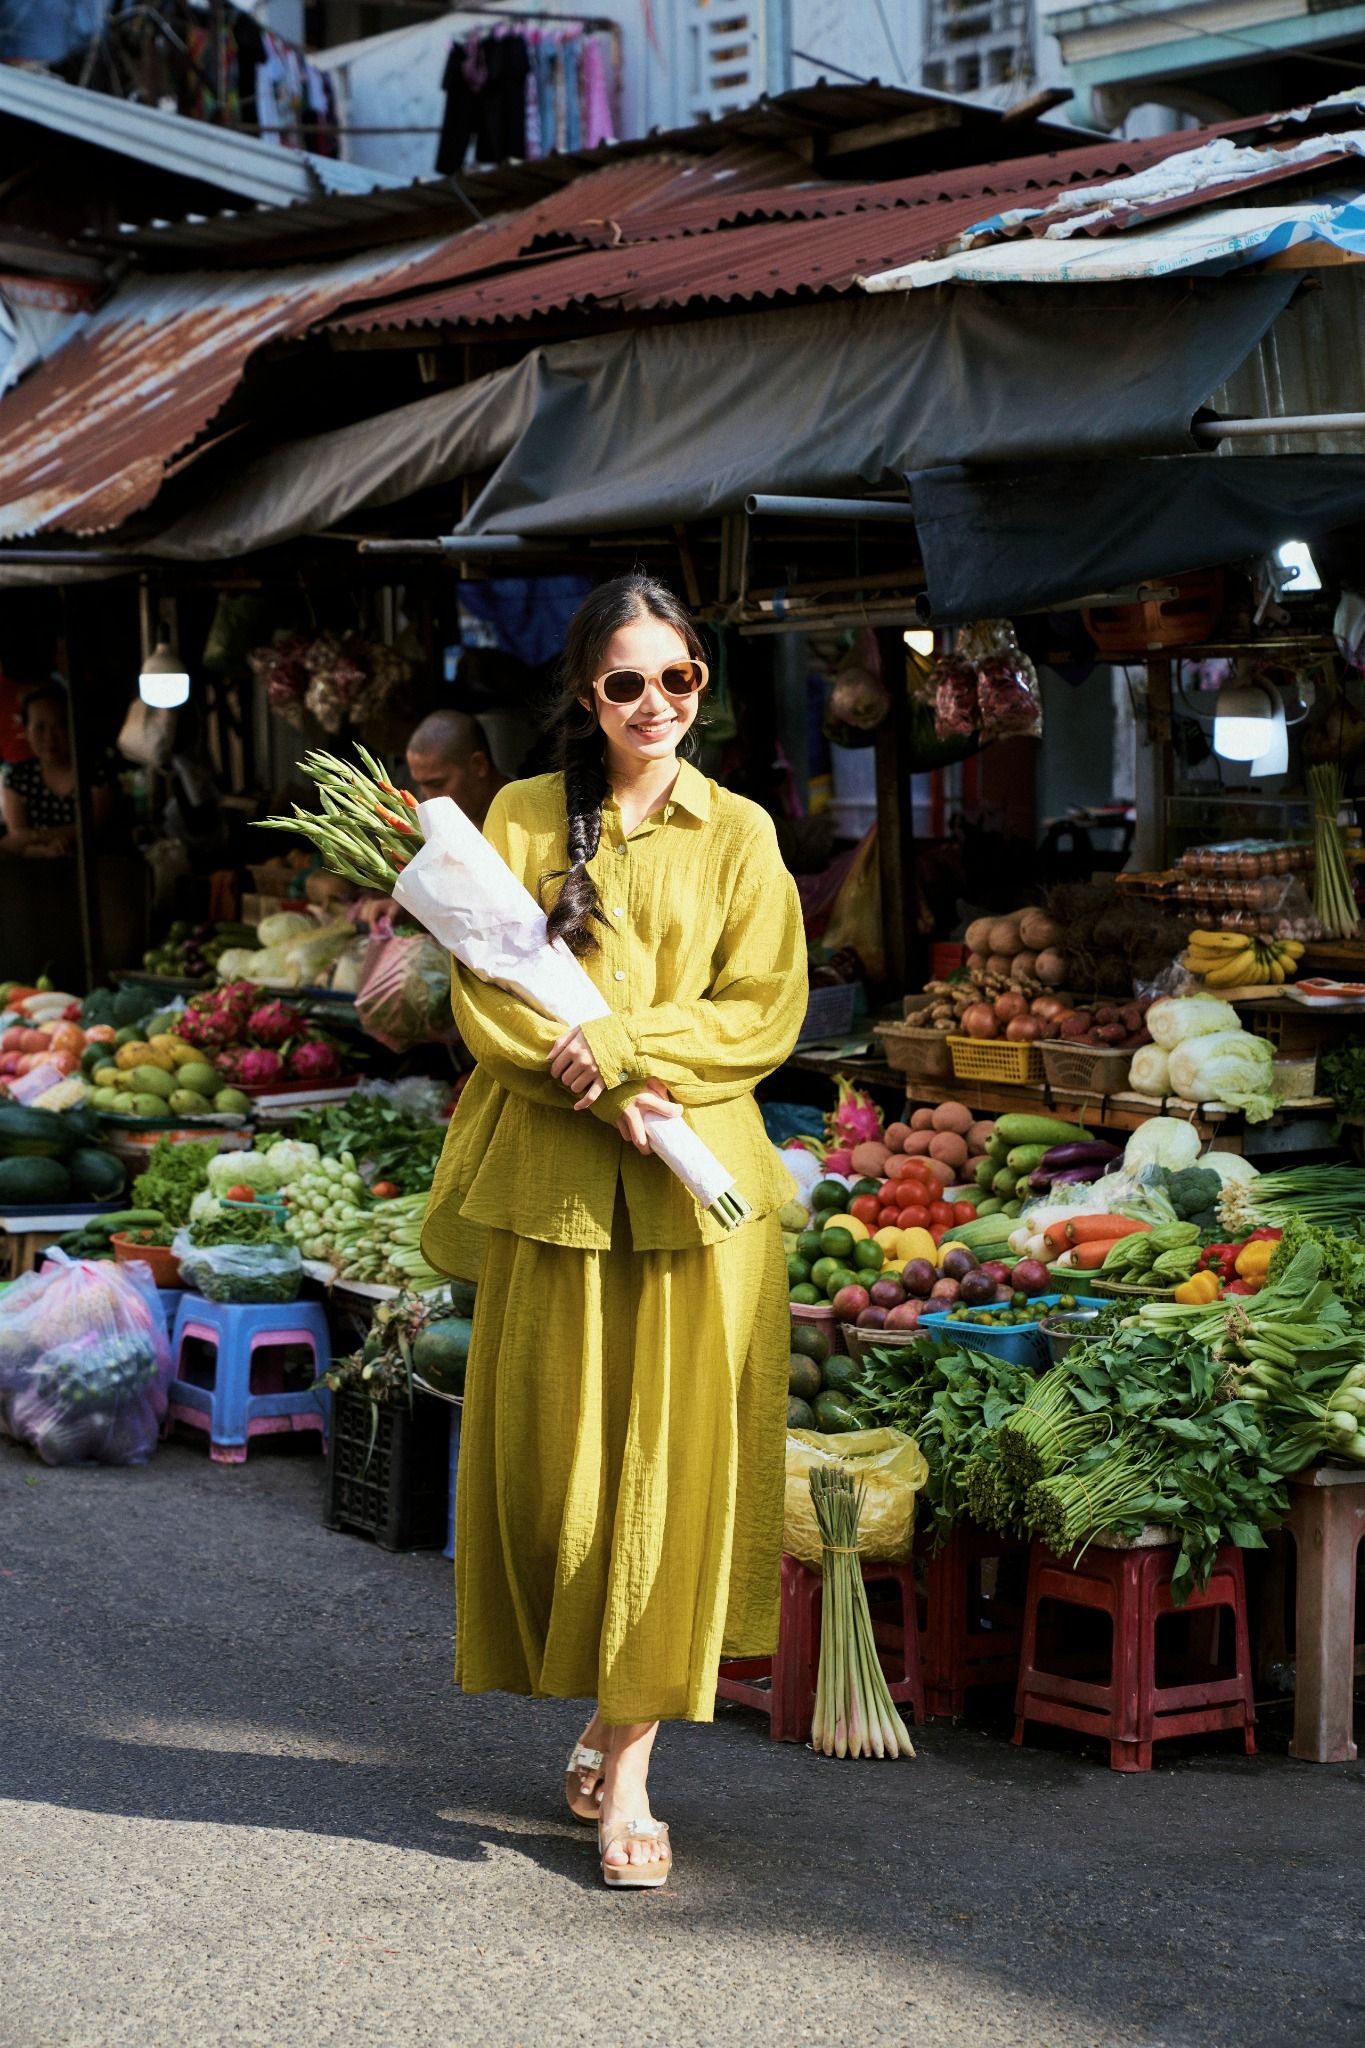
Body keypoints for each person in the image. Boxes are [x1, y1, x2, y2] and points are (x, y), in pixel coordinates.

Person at [421, 573, 806, 1890]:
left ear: (705, 680)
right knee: (554, 1489)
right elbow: (484, 993)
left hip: (702, 1196)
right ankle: (596, 1707)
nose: (656, 704)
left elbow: (764, 1014)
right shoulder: (524, 817)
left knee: (673, 1495)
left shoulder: (742, 832)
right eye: (627, 682)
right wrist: (581, 1071)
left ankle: (630, 1769)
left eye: (678, 677)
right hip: (559, 1188)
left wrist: (626, 1050)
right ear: (587, 697)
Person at [0, 681, 111, 858]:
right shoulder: (18, 777)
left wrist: (34, 836)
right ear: (27, 732)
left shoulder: (95, 772)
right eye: (40, 727)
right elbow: (15, 841)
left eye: (60, 725)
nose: (49, 737)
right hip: (37, 870)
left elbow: (93, 828)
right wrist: (43, 852)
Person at [406, 708, 507, 829]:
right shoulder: (440, 833)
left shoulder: (526, 816)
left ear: (479, 765)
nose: (428, 799)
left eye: (438, 784)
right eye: (421, 786)